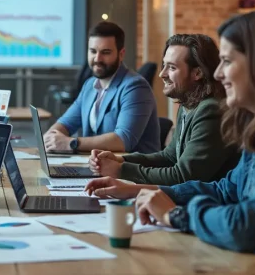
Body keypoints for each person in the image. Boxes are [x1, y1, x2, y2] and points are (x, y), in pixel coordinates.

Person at [85, 10, 255, 274]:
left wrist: (176, 215)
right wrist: (144, 193)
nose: (217, 74)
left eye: (227, 61)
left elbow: (246, 227)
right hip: (249, 261)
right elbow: (227, 190)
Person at [89, 34, 239, 185]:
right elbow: (169, 157)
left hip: (207, 204)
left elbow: (183, 176)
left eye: (172, 67)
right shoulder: (189, 104)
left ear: (198, 73)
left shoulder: (210, 110)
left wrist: (120, 170)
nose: (162, 74)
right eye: (164, 65)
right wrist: (120, 159)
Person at [44, 21, 160, 153]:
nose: (97, 59)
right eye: (93, 51)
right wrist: (51, 138)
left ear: (121, 54)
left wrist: (72, 143)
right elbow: (66, 123)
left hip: (131, 170)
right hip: (95, 166)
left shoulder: (135, 87)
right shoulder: (89, 85)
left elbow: (123, 140)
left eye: (105, 52)